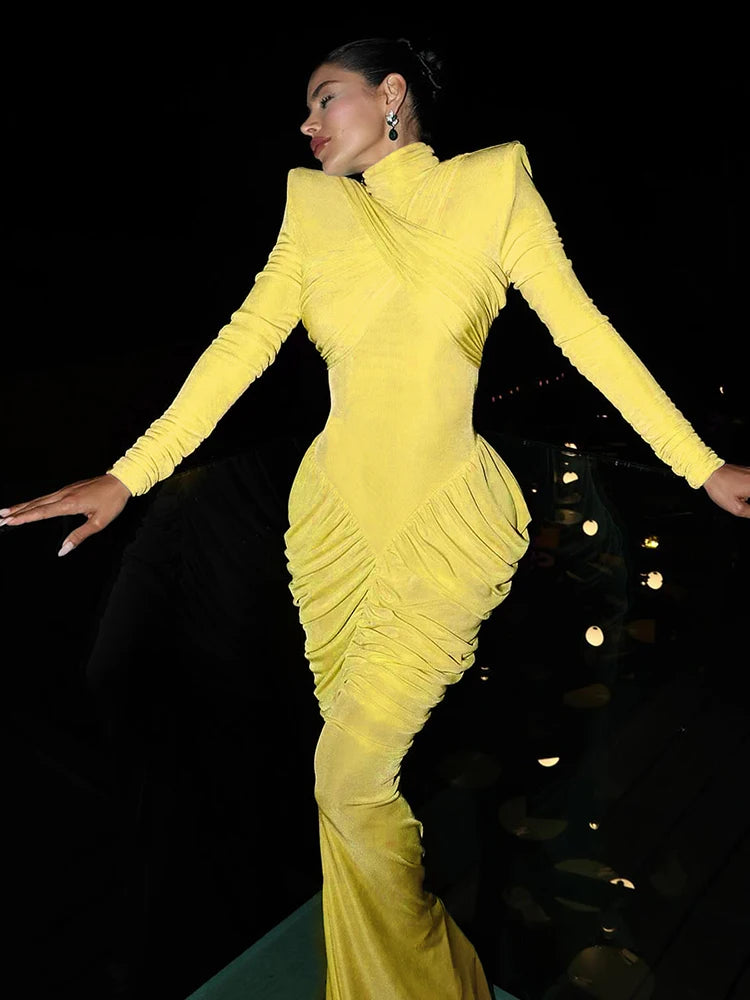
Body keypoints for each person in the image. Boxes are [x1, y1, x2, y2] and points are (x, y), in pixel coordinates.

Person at [3, 36, 749, 1000]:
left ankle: (430, 983)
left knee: (346, 778)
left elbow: (584, 330)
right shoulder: (312, 212)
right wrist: (128, 477)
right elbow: (241, 347)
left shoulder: (493, 187)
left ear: (391, 94)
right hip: (335, 534)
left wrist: (699, 465)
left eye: (326, 99)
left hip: (444, 526)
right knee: (351, 782)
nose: (308, 125)